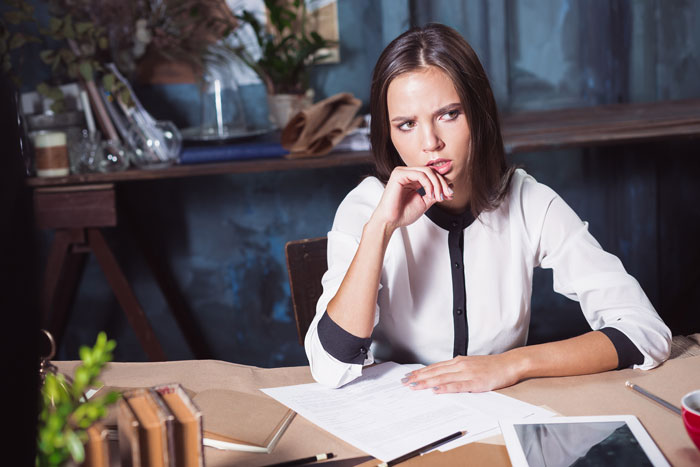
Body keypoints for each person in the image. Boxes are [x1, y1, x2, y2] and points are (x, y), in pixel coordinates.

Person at [304, 23, 671, 392]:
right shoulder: (368, 205)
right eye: (407, 124)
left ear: (478, 114)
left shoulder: (527, 201)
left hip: (501, 419)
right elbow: (330, 367)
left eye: (449, 114)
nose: (430, 142)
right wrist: (380, 230)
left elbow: (645, 331)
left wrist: (513, 364)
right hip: (399, 424)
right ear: (389, 134)